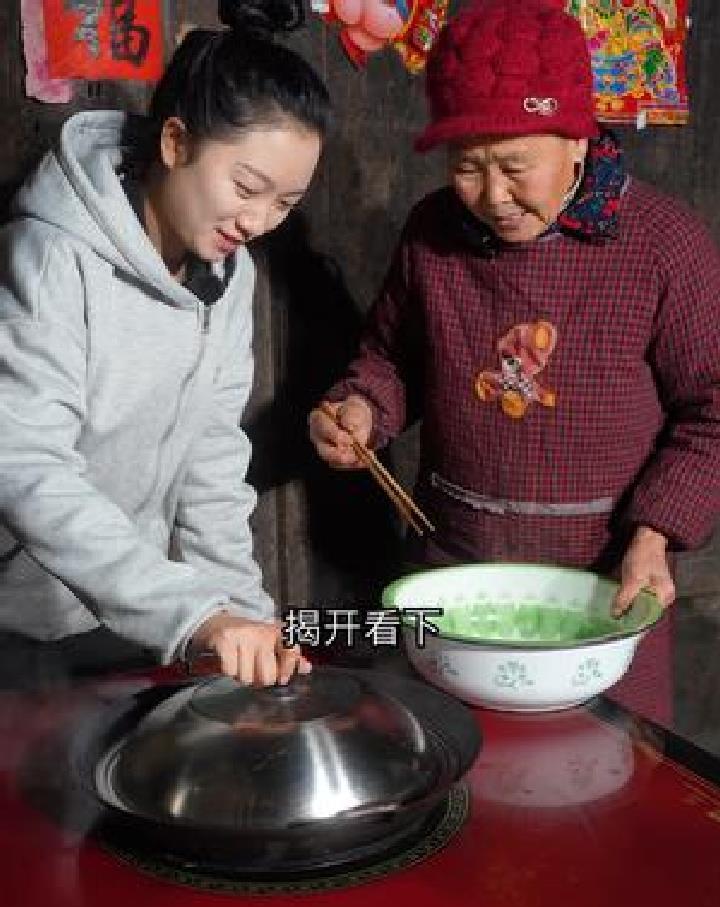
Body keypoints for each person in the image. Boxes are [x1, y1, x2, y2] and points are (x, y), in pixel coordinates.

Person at [308, 0, 720, 723]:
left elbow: (713, 410)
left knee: (601, 788)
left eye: (514, 165)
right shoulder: (433, 232)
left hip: (607, 585)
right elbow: (390, 358)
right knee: (450, 776)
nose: (493, 196)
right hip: (455, 576)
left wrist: (656, 537)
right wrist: (362, 409)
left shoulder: (665, 245)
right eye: (467, 167)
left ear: (578, 139)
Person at [0, 0, 330, 687]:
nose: (259, 220)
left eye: (285, 204)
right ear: (176, 143)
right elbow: (24, 465)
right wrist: (193, 612)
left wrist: (244, 622)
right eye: (247, 187)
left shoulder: (226, 273)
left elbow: (212, 464)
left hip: (128, 617)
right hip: (17, 621)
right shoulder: (51, 254)